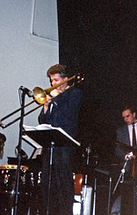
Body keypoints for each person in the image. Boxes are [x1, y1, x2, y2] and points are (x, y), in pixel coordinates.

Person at [38, 64, 83, 215]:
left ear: (65, 79)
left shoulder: (74, 93)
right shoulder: (53, 97)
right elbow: (42, 121)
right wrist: (45, 107)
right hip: (50, 147)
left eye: (56, 80)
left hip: (64, 147)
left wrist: (57, 100)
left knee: (63, 184)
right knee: (47, 184)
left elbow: (69, 116)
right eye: (51, 81)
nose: (52, 84)